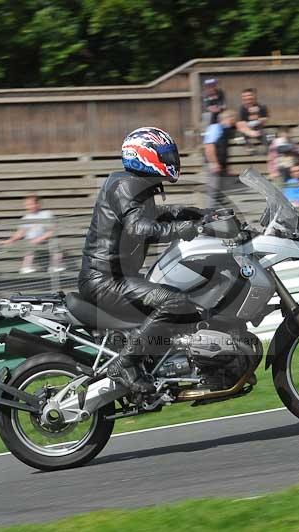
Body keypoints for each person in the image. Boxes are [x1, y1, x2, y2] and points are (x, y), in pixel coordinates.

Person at [79, 127, 205, 393]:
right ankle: (126, 363)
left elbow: (153, 216)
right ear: (145, 155)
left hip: (116, 278)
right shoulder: (125, 185)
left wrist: (196, 214)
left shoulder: (134, 184)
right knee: (175, 302)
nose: (172, 159)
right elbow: (139, 227)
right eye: (166, 154)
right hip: (106, 281)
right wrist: (181, 230)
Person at [1, 195, 63, 274]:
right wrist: (10, 240)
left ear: (38, 205)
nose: (28, 207)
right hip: (31, 240)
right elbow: (20, 232)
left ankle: (55, 266)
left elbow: (53, 230)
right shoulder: (26, 218)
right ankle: (26, 267)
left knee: (56, 243)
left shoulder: (46, 214)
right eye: (26, 205)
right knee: (29, 244)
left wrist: (40, 238)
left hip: (45, 239)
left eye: (30, 204)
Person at [203, 110, 240, 207]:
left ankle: (220, 215)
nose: (233, 122)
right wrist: (214, 163)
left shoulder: (225, 130)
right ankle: (210, 216)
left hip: (221, 166)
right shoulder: (215, 128)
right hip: (214, 165)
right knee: (213, 193)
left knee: (221, 193)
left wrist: (226, 167)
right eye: (233, 119)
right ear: (227, 118)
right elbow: (209, 146)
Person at [237, 88, 269, 153]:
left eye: (249, 95)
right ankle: (249, 146)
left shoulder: (262, 107)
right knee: (239, 134)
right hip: (246, 130)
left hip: (258, 129)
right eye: (245, 96)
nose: (247, 98)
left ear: (254, 96)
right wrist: (249, 131)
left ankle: (269, 150)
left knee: (265, 134)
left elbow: (265, 119)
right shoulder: (242, 109)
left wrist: (259, 119)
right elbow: (241, 123)